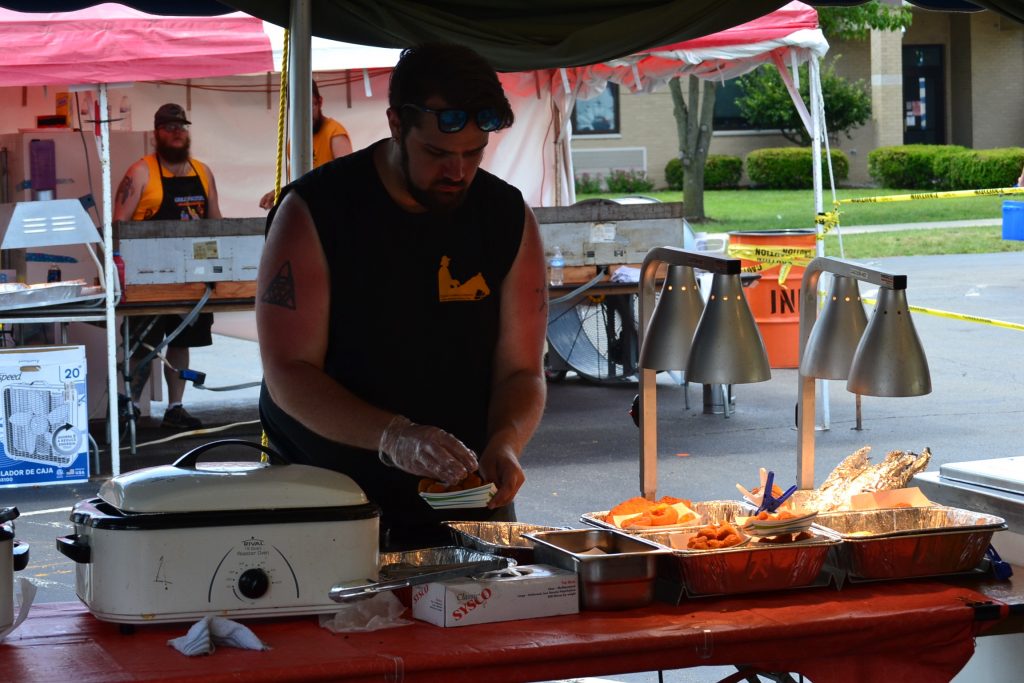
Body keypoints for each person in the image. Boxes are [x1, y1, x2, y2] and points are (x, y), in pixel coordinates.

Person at [256, 43, 547, 550]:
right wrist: (394, 436)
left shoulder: (505, 216)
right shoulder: (315, 211)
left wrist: (507, 440)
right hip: (332, 495)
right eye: (437, 153)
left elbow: (522, 371)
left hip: (462, 495)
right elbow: (288, 373)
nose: (457, 172)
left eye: (473, 153)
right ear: (395, 124)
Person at [113, 103, 223, 430]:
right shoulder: (140, 172)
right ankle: (131, 408)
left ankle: (176, 408)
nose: (177, 132)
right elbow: (119, 225)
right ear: (156, 133)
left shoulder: (202, 172)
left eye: (182, 127)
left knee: (181, 341)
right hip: (147, 280)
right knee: (141, 343)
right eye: (170, 127)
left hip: (192, 277)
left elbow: (216, 222)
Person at [258, 81, 353, 210]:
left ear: (320, 102)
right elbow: (299, 184)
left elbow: (347, 182)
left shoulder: (335, 134)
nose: (306, 114)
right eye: (299, 108)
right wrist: (281, 193)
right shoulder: (295, 140)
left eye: (311, 106)